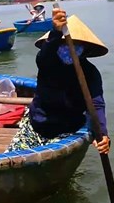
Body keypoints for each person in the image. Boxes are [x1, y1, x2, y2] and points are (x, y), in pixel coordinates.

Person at [8, 8, 110, 154]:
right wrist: (56, 32)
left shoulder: (89, 73)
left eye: (76, 45)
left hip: (68, 130)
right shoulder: (48, 62)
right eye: (63, 44)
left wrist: (103, 134)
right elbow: (44, 55)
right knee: (13, 156)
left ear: (85, 49)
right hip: (37, 124)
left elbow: (96, 104)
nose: (68, 48)